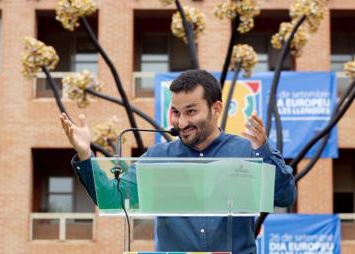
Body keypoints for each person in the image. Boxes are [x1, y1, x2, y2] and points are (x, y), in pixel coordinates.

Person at [60, 70, 296, 254]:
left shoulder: (247, 151)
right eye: (175, 112)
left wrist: (264, 152)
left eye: (191, 112)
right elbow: (113, 200)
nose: (181, 122)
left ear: (216, 109)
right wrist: (85, 155)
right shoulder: (158, 157)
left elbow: (285, 197)